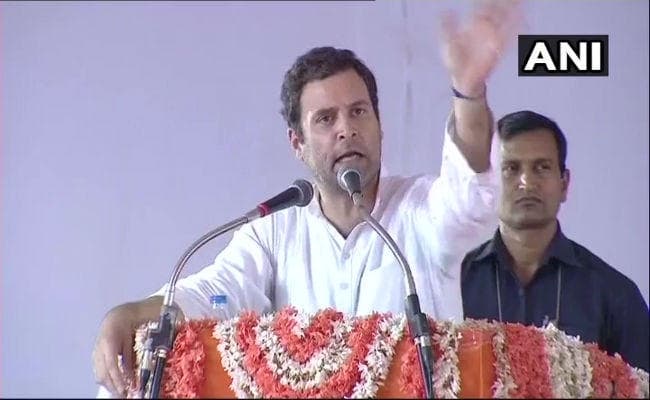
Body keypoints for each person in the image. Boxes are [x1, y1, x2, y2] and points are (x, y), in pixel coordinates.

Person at [93, 2, 522, 396]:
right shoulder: (274, 232)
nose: (346, 129)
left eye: (358, 112)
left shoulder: (421, 210)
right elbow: (214, 294)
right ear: (297, 143)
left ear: (379, 124)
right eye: (325, 119)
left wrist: (469, 94)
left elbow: (470, 195)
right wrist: (135, 312)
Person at [461, 110, 649, 372]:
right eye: (511, 168)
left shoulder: (613, 294)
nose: (527, 182)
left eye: (542, 168)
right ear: (488, 184)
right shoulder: (458, 282)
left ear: (564, 184)